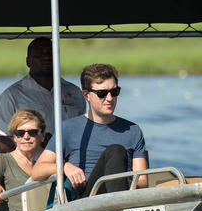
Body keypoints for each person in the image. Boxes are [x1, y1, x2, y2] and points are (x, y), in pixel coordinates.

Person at [31, 63, 148, 199]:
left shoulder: (133, 130)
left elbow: (142, 181)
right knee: (116, 151)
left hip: (122, 194)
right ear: (86, 95)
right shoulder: (68, 129)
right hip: (86, 200)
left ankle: (118, 203)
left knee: (116, 152)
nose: (109, 98)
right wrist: (64, 167)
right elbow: (37, 171)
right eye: (101, 93)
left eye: (114, 92)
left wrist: (120, 180)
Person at [0, 37, 85, 153]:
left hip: (71, 162)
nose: (46, 57)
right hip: (32, 163)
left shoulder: (74, 92)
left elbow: (82, 132)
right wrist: (35, 143)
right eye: (39, 53)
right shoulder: (12, 95)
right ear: (28, 61)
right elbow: (1, 143)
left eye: (50, 52)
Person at [0, 108, 47, 211]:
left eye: (32, 132)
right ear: (14, 137)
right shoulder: (1, 159)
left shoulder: (45, 164)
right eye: (20, 133)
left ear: (42, 136)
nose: (26, 137)